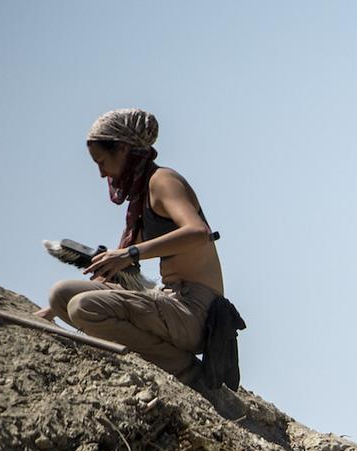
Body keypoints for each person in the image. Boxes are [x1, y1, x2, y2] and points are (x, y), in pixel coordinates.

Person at [38, 108, 239, 383]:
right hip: (169, 301)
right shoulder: (141, 198)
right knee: (61, 294)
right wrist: (52, 310)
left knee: (83, 308)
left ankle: (185, 370)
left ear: (122, 149)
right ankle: (165, 357)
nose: (101, 173)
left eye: (102, 161)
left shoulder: (163, 181)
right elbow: (115, 271)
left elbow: (197, 232)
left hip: (195, 311)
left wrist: (131, 252)